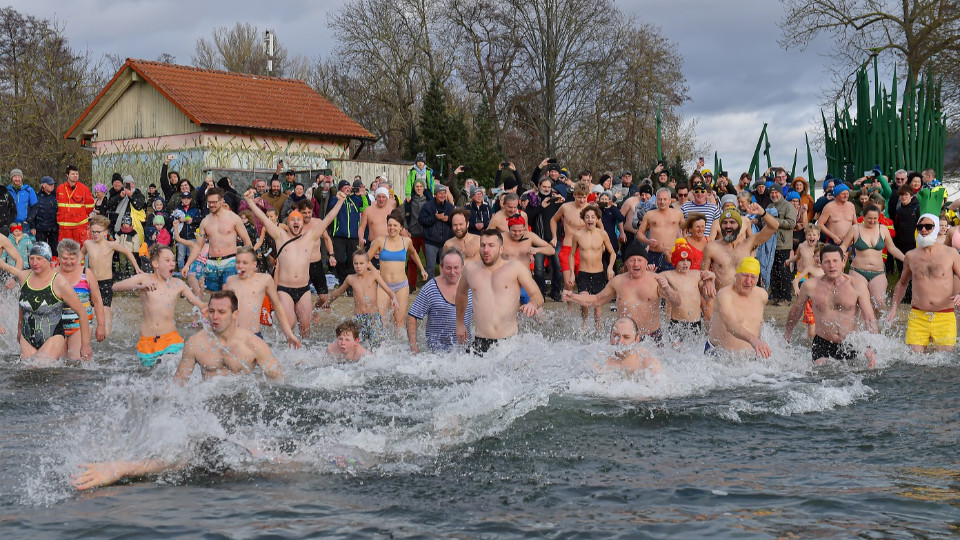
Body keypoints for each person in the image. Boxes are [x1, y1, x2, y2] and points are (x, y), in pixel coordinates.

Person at [244, 190, 344, 338]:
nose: (296, 222)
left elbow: (328, 219)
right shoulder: (279, 235)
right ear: (287, 223)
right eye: (292, 220)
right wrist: (250, 201)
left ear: (302, 223)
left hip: (303, 290)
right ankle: (289, 354)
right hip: (284, 289)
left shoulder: (310, 237)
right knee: (289, 325)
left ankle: (302, 356)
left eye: (298, 220)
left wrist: (340, 201)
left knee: (305, 327)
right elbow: (263, 219)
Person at [784, 244, 878, 367]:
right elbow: (796, 311)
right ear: (820, 263)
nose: (832, 265)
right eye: (827, 262)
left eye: (835, 261)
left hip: (850, 343)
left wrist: (872, 347)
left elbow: (869, 319)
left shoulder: (857, 285)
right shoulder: (810, 286)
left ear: (843, 262)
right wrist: (787, 334)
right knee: (823, 369)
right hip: (823, 343)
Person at [563, 241, 674, 343]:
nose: (636, 264)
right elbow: (597, 300)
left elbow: (676, 301)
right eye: (632, 260)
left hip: (652, 336)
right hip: (624, 337)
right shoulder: (617, 281)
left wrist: (668, 288)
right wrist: (572, 297)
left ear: (646, 262)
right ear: (626, 263)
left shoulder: (656, 280)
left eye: (640, 260)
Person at [113, 245, 206, 367]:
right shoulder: (144, 278)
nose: (172, 264)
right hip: (147, 341)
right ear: (155, 264)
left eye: (173, 260)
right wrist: (140, 286)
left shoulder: (179, 284)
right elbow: (116, 287)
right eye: (167, 260)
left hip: (172, 340)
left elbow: (199, 303)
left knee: (172, 371)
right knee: (150, 377)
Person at [456, 229, 543, 355]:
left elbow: (538, 296)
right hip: (481, 341)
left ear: (501, 249)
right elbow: (461, 294)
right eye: (483, 245)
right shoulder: (470, 269)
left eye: (491, 246)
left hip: (509, 342)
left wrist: (532, 304)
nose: (486, 250)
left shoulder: (516, 268)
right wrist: (459, 323)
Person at [0, 241, 91, 362]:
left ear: (48, 260)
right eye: (31, 258)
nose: (34, 263)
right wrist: (19, 330)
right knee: (28, 373)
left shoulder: (59, 282)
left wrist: (85, 346)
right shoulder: (23, 277)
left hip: (53, 336)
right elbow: (23, 305)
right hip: (26, 337)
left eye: (39, 259)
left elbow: (82, 313)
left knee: (38, 366)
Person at [174, 290, 283, 384]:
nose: (215, 317)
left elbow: (279, 380)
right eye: (211, 311)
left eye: (222, 312)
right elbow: (179, 384)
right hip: (209, 403)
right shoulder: (195, 343)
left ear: (235, 314)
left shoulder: (253, 344)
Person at [887, 213, 960, 352]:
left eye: (928, 226)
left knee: (943, 363)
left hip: (945, 315)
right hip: (918, 316)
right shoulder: (911, 255)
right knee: (915, 363)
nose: (924, 230)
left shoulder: (951, 253)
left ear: (937, 228)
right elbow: (902, 283)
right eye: (920, 227)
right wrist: (893, 307)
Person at [223, 246, 301, 348]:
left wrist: (289, 333)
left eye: (245, 263)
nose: (240, 266)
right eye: (237, 262)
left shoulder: (264, 279)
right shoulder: (230, 281)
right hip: (233, 336)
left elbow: (277, 306)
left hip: (253, 336)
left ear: (254, 264)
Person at [79, 216, 143, 336]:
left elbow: (127, 252)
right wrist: (75, 267)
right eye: (93, 231)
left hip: (106, 282)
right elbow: (81, 254)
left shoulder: (111, 245)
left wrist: (137, 268)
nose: (95, 234)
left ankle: (106, 338)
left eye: (98, 232)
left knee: (105, 311)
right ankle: (89, 336)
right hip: (91, 282)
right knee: (91, 311)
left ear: (105, 233)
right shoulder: (88, 244)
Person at [366, 209, 428, 334]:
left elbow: (414, 254)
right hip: (383, 285)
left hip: (401, 286)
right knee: (380, 319)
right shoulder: (380, 241)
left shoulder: (406, 241)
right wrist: (375, 271)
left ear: (401, 227)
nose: (392, 228)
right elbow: (365, 260)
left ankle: (397, 349)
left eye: (395, 225)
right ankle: (380, 348)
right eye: (389, 225)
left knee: (398, 322)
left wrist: (422, 269)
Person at [322, 250, 399, 349]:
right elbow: (338, 292)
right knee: (357, 346)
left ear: (367, 263)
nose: (358, 266)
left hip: (374, 318)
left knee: (377, 347)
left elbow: (388, 289)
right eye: (355, 263)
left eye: (361, 263)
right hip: (358, 318)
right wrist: (328, 302)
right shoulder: (351, 279)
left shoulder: (374, 275)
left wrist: (394, 298)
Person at [181, 188, 252, 292]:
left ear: (222, 200)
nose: (211, 205)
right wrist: (187, 265)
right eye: (209, 202)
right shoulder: (205, 221)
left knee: (226, 293)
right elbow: (198, 246)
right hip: (212, 263)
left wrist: (247, 261)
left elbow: (247, 241)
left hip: (230, 262)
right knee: (215, 298)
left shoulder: (233, 218)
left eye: (214, 202)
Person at [839, 205, 904, 313]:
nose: (872, 221)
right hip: (858, 271)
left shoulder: (882, 229)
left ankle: (876, 327)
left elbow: (892, 248)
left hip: (878, 272)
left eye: (875, 218)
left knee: (879, 303)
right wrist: (833, 255)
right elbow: (844, 246)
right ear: (863, 217)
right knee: (858, 304)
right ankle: (856, 329)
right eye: (869, 218)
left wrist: (906, 259)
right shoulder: (855, 228)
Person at [407, 247, 473, 353]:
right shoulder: (431, 288)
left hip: (464, 352)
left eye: (456, 267)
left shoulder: (470, 287)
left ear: (462, 267)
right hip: (436, 352)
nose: (452, 272)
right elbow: (412, 316)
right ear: (441, 267)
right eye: (448, 268)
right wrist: (414, 348)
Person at [700, 205, 779, 292]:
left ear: (740, 225)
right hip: (723, 299)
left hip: (745, 298)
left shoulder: (750, 243)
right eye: (724, 223)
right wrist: (708, 281)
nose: (728, 226)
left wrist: (762, 213)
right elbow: (703, 273)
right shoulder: (711, 247)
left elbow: (774, 226)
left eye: (732, 222)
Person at [704, 257, 771, 358]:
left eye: (753, 277)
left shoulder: (762, 295)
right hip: (719, 355)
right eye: (744, 275)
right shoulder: (725, 295)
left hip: (751, 355)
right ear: (736, 275)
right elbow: (730, 325)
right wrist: (754, 340)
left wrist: (760, 345)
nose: (748, 281)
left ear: (758, 279)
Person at [567, 205, 616, 332]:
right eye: (587, 217)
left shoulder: (602, 234)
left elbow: (613, 253)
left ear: (597, 219)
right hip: (583, 274)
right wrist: (572, 273)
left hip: (599, 273)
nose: (590, 219)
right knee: (585, 302)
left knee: (598, 310)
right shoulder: (577, 234)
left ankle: (598, 331)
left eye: (593, 217)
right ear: (583, 219)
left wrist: (610, 268)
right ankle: (584, 325)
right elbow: (572, 254)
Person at [57, 239, 106, 360]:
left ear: (78, 257)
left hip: (80, 326)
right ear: (58, 257)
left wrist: (101, 325)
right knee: (56, 363)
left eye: (72, 258)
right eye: (64, 258)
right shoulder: (52, 274)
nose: (68, 262)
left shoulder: (86, 273)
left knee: (74, 359)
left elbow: (97, 300)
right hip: (57, 327)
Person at [661, 239, 713, 341]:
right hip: (677, 322)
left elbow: (710, 275)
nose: (685, 263)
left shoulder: (696, 274)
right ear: (675, 261)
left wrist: (712, 278)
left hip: (695, 322)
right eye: (681, 260)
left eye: (688, 260)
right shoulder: (669, 275)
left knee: (694, 352)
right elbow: (653, 277)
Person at [550, 181, 591, 293]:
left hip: (584, 249)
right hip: (567, 247)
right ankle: (569, 310)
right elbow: (553, 220)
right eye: (579, 197)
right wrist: (554, 237)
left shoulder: (590, 209)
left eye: (584, 197)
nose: (582, 200)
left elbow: (601, 228)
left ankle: (584, 309)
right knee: (569, 284)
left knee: (583, 286)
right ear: (574, 195)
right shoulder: (565, 207)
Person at [635, 188, 685, 271]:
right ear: (656, 200)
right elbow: (639, 234)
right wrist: (648, 241)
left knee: (671, 281)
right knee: (653, 281)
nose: (662, 202)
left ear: (670, 200)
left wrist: (682, 244)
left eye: (665, 199)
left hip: (672, 253)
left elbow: (685, 230)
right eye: (659, 199)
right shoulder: (649, 214)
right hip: (654, 253)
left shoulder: (678, 214)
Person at [766, 185, 798, 305]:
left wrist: (774, 221)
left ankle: (786, 298)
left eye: (776, 192)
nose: (774, 195)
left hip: (783, 244)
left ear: (780, 193)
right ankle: (776, 296)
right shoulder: (769, 206)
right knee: (773, 271)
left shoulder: (788, 206)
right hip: (770, 243)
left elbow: (791, 223)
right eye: (772, 193)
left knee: (784, 271)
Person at [418, 184, 455, 280]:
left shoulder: (450, 207)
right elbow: (421, 220)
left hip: (446, 242)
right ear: (435, 194)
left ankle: (445, 287)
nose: (442, 195)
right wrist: (435, 218)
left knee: (445, 266)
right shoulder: (428, 206)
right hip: (431, 242)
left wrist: (449, 220)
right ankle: (430, 288)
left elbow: (457, 222)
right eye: (440, 193)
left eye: (444, 193)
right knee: (430, 267)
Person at [56, 165, 95, 244]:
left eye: (77, 174)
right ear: (67, 175)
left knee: (80, 250)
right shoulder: (60, 188)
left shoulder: (83, 188)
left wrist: (80, 214)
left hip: (79, 226)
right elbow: (58, 205)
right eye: (73, 174)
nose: (75, 176)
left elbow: (90, 205)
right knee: (65, 250)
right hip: (64, 227)